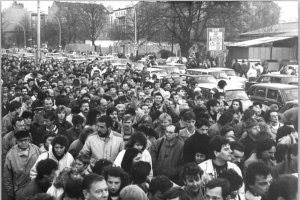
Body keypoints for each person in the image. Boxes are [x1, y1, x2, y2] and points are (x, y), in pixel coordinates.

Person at [4, 130, 41, 200]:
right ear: (16, 141)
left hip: (36, 187)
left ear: (29, 139)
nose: (23, 142)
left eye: (26, 140)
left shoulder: (36, 150)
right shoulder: (10, 154)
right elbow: (7, 176)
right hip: (20, 189)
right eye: (20, 141)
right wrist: (10, 192)